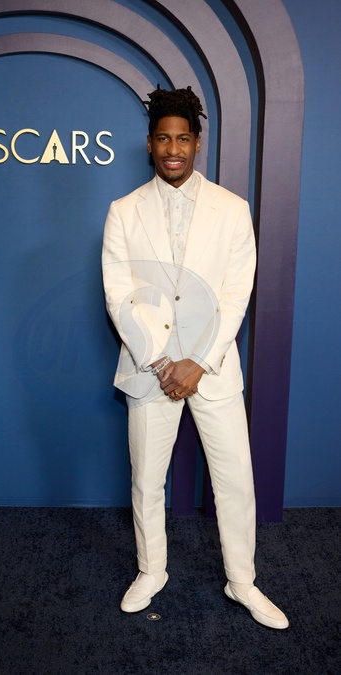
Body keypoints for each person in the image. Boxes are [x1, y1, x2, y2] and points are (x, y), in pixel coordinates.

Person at [102, 86, 288, 630]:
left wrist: (199, 362)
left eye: (183, 138)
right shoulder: (123, 212)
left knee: (235, 480)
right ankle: (151, 570)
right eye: (163, 139)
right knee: (146, 480)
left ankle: (242, 581)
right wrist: (163, 364)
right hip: (150, 370)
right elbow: (118, 295)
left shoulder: (232, 210)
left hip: (214, 369)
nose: (173, 149)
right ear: (149, 144)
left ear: (197, 144)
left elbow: (236, 294)